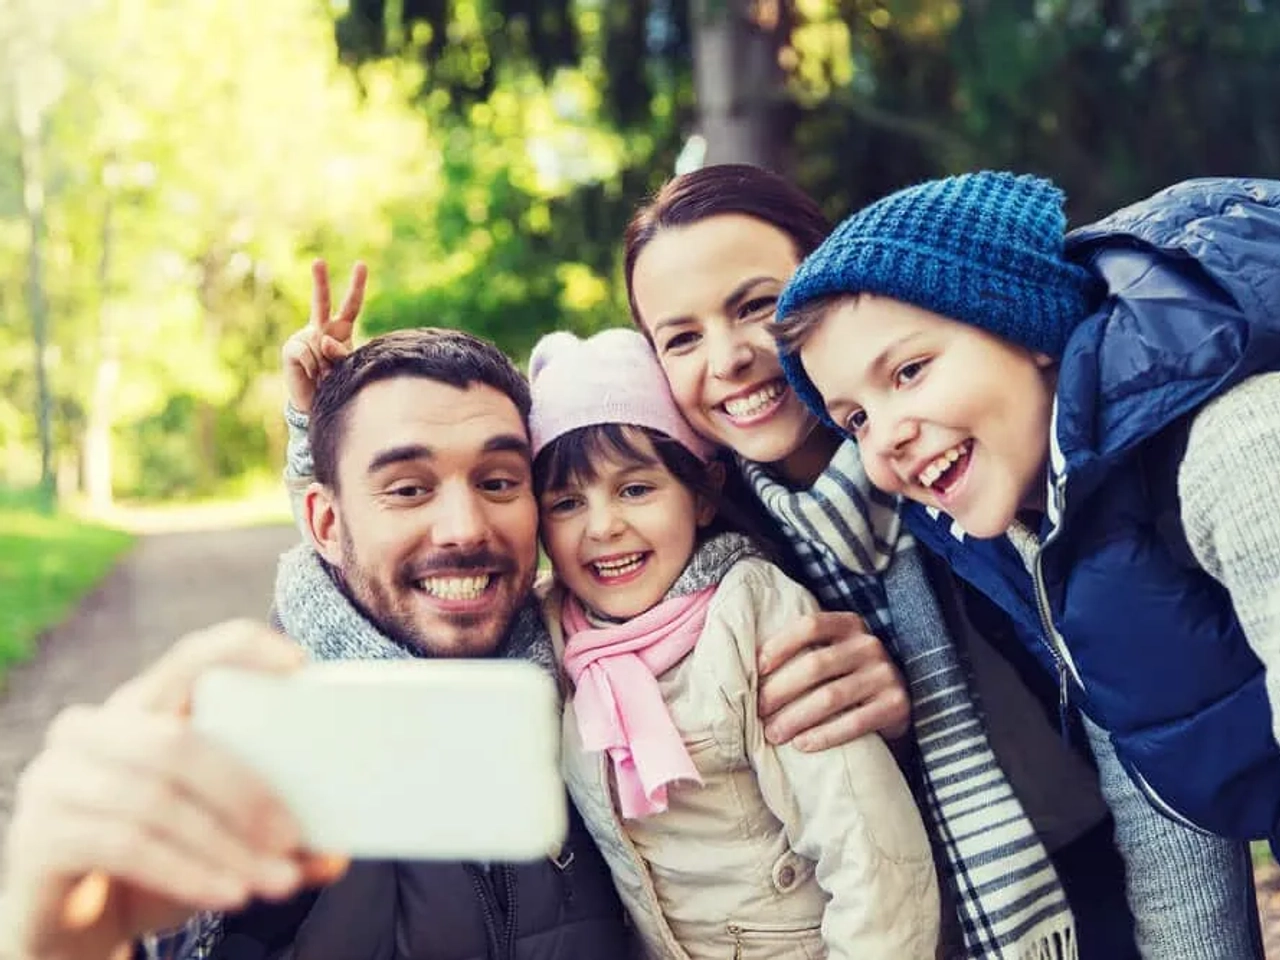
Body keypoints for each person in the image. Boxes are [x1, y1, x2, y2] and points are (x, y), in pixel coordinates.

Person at [622, 164, 1264, 958]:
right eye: (680, 338)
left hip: (1094, 884)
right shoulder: (718, 542)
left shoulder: (996, 467)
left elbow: (1135, 706)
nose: (727, 359)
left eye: (755, 306)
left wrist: (908, 687)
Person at [528, 327, 940, 958]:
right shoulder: (556, 634)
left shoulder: (749, 612)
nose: (603, 527)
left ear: (700, 496)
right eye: (565, 502)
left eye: (636, 489)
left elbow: (868, 848)